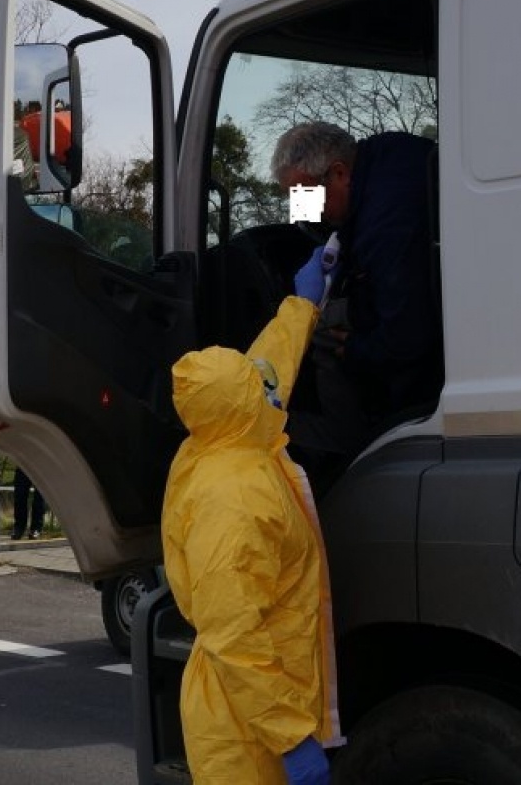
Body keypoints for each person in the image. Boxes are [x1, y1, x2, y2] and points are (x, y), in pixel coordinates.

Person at [161, 259, 342, 784]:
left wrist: (302, 303)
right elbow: (234, 636)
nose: (268, 385)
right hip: (245, 737)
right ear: (241, 402)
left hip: (251, 714)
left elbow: (270, 363)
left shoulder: (224, 436)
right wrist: (290, 737)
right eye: (253, 384)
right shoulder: (231, 499)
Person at [271, 121, 443, 492]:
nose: (305, 213)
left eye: (307, 197)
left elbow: (408, 337)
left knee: (323, 339)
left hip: (425, 366)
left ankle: (346, 455)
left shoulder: (388, 225)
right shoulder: (386, 155)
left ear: (338, 173)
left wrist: (354, 350)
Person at [11, 466, 47, 539]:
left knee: (39, 499)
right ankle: (19, 528)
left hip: (42, 464)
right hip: (23, 463)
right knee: (19, 496)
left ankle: (36, 528)